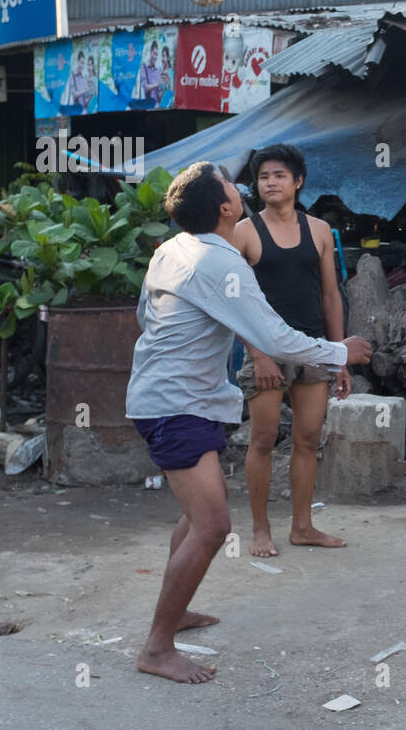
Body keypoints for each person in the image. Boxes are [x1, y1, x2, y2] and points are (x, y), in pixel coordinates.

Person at [125, 161, 371, 684]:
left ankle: (177, 611)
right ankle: (157, 646)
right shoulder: (220, 261)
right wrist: (339, 350)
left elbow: (144, 319)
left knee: (197, 518)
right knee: (214, 526)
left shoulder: (172, 250)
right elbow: (278, 338)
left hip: (182, 399)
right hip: (176, 405)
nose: (244, 188)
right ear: (226, 208)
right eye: (233, 185)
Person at [232, 144, 351, 557]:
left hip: (313, 347)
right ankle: (260, 530)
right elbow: (234, 304)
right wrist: (259, 355)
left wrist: (338, 356)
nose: (271, 183)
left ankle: (303, 526)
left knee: (308, 437)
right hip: (264, 349)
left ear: (298, 181)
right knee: (263, 439)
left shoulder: (318, 230)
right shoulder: (244, 233)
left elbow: (331, 295)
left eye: (279, 175)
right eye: (264, 176)